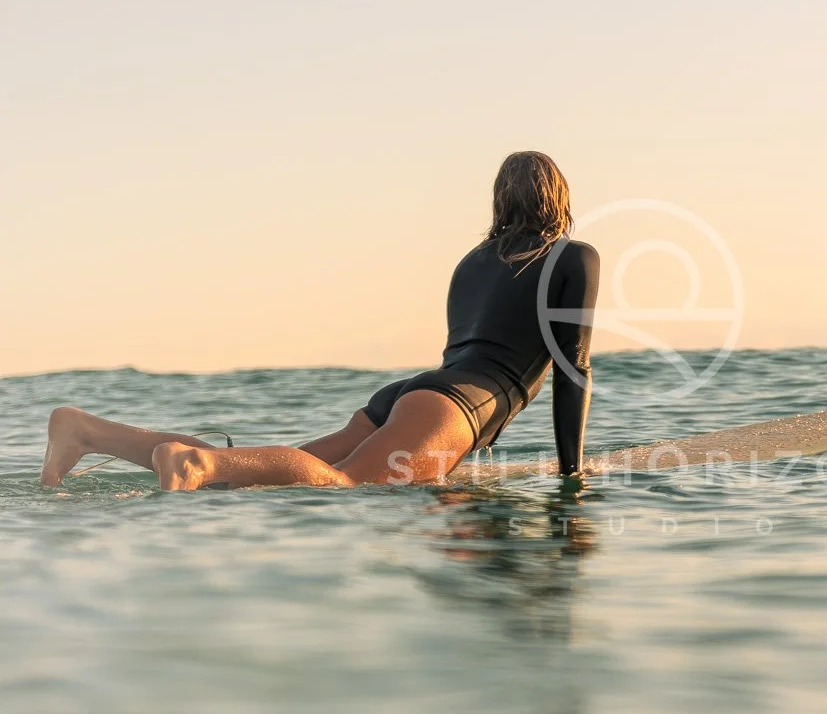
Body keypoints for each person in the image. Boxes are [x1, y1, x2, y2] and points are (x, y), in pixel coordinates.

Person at [40, 151, 600, 491]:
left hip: (413, 394)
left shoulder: (470, 264)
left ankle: (89, 431)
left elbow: (464, 352)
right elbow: (572, 369)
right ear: (559, 197)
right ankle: (193, 464)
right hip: (457, 406)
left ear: (500, 200)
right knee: (346, 482)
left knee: (258, 466)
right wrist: (571, 473)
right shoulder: (573, 257)